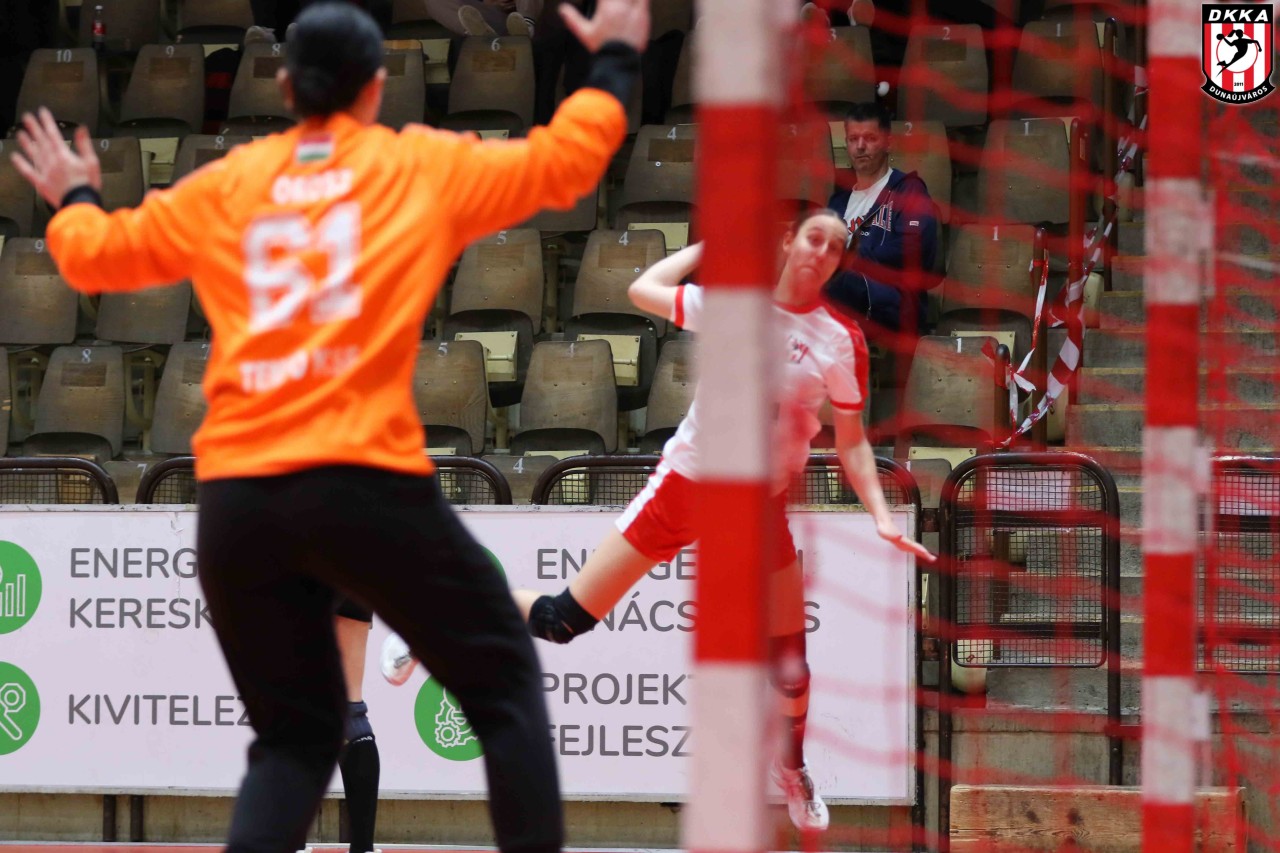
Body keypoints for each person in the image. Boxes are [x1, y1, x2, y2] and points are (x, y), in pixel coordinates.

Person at [9, 2, 646, 851]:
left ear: (284, 87)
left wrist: (77, 193)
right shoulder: (415, 165)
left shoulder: (229, 183)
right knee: (502, 687)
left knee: (295, 742)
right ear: (377, 87)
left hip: (238, 498)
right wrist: (616, 59)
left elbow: (95, 255)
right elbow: (570, 162)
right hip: (360, 477)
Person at [384, 210, 936, 833]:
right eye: (813, 238)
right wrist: (709, 245)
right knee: (561, 620)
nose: (821, 253)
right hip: (687, 486)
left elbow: (854, 443)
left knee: (791, 669)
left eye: (835, 248)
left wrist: (882, 517)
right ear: (787, 241)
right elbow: (642, 290)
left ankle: (792, 769)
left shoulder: (841, 340)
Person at [824, 102, 939, 340]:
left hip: (893, 303)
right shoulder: (838, 202)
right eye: (853, 139)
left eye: (870, 138)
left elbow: (915, 252)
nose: (860, 146)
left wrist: (854, 257)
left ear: (888, 142)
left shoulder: (909, 191)